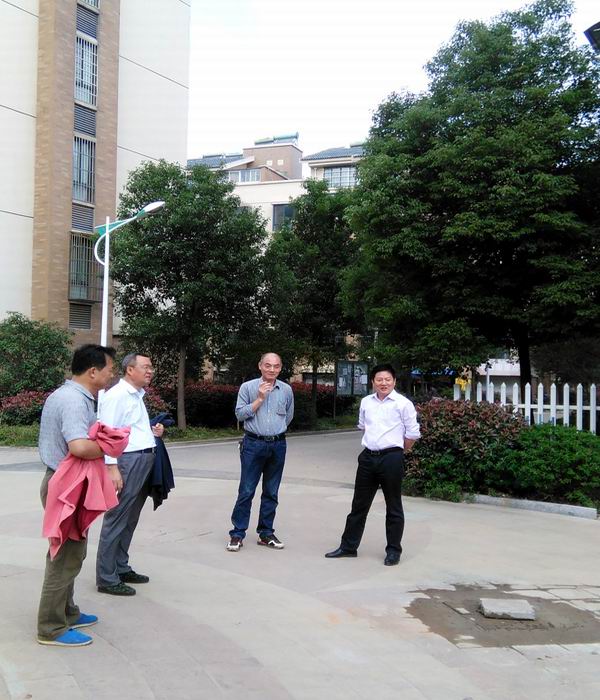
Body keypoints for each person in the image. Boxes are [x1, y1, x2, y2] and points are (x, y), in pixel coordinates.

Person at [37, 344, 117, 647]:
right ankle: (51, 627)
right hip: (65, 485)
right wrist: (111, 445)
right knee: (64, 557)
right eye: (110, 370)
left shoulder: (70, 395)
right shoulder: (73, 400)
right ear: (93, 371)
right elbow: (79, 447)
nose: (112, 375)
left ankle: (68, 612)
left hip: (66, 482)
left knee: (73, 552)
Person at [325, 363, 420, 566]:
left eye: (387, 379)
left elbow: (412, 434)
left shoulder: (403, 404)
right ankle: (348, 547)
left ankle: (393, 551)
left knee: (393, 506)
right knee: (358, 505)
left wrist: (398, 451)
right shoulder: (366, 402)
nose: (383, 383)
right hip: (368, 458)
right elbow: (363, 427)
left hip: (391, 458)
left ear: (394, 381)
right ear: (373, 382)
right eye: (379, 380)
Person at [95, 353, 164, 595]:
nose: (150, 370)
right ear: (130, 370)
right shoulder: (117, 396)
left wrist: (153, 432)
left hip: (143, 460)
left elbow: (130, 428)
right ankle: (106, 577)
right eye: (146, 366)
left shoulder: (136, 395)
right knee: (117, 518)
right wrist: (111, 467)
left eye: (151, 367)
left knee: (130, 519)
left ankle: (121, 567)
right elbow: (106, 433)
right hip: (127, 462)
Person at [226, 352, 294, 552]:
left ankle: (266, 533)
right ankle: (237, 533)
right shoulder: (248, 387)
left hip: (278, 445)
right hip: (253, 444)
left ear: (280, 368)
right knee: (246, 490)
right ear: (260, 366)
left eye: (276, 366)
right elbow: (240, 414)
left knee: (271, 491)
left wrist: (275, 431)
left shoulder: (286, 390)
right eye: (268, 365)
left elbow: (288, 416)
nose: (272, 369)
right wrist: (260, 398)